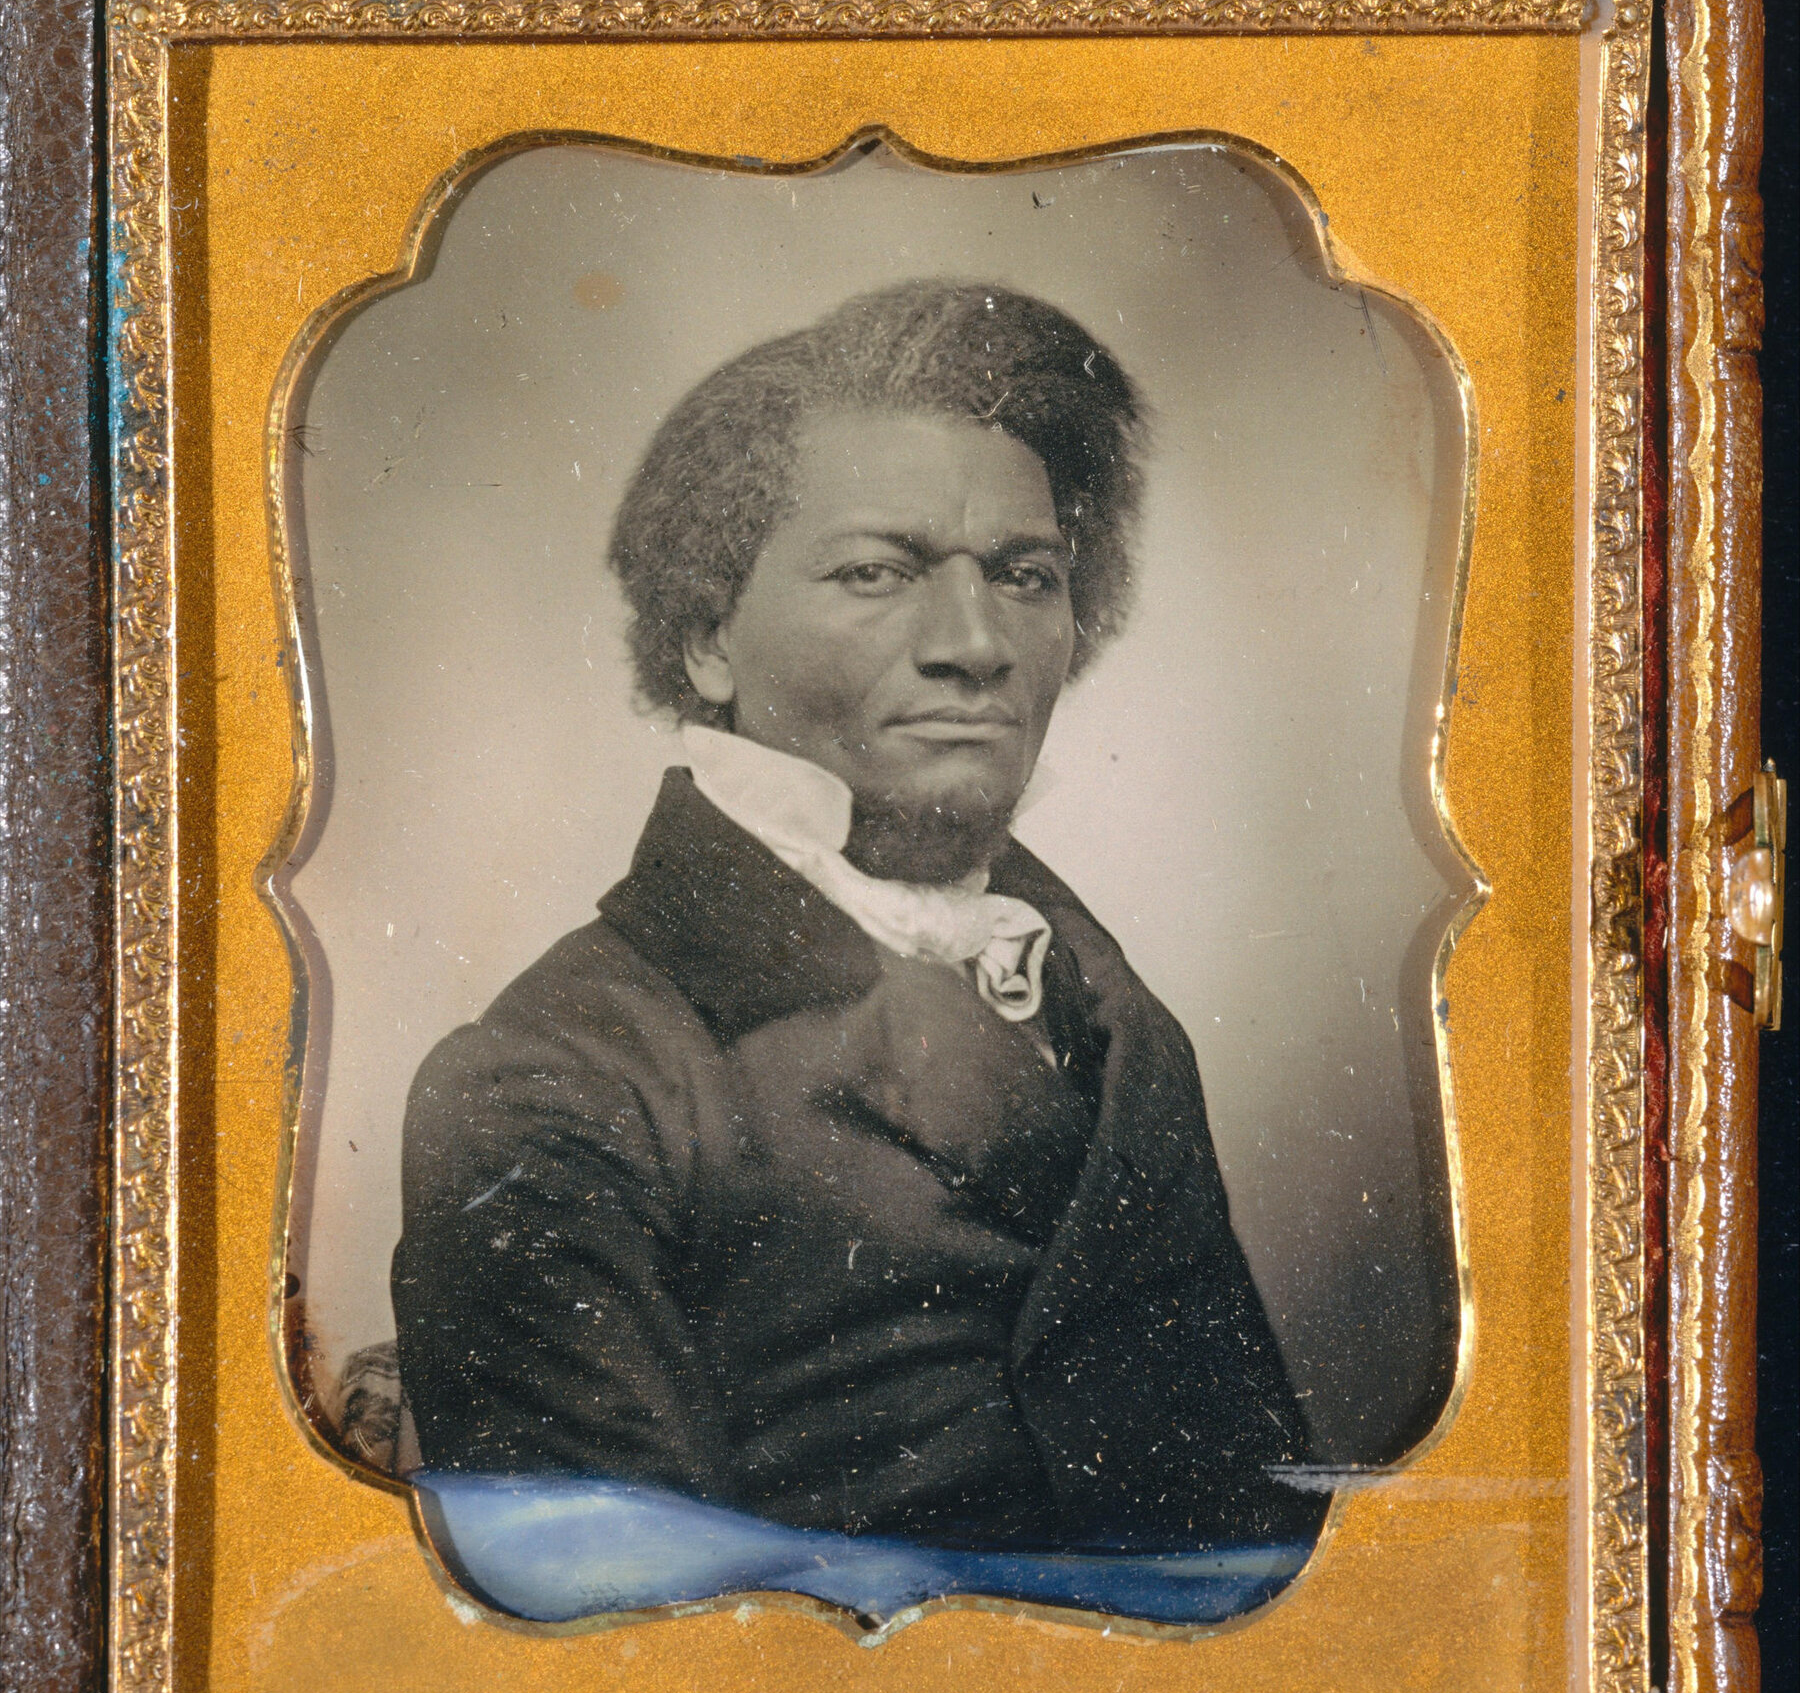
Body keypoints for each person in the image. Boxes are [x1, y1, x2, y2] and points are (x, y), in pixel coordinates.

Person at [391, 281, 1326, 1579]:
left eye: (1026, 576)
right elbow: (620, 1666)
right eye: (877, 572)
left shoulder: (1111, 1021)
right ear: (706, 632)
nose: (975, 643)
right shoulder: (554, 1076)